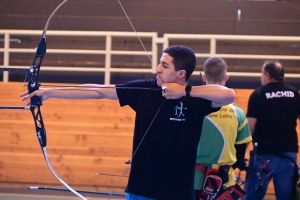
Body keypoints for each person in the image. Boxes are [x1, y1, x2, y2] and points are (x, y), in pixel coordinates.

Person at [20, 45, 236, 200]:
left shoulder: (197, 99)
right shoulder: (146, 90)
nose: (158, 69)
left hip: (177, 191)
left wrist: (185, 92)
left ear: (180, 73)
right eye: (160, 63)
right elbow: (98, 91)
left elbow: (229, 95)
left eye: (164, 65)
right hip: (140, 188)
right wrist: (50, 92)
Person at [194, 57, 252, 200]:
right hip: (225, 183)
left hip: (194, 181)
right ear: (226, 77)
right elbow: (240, 155)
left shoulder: (192, 110)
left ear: (203, 77)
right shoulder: (238, 114)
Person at [244, 60, 300, 200]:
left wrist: (239, 154)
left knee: (252, 198)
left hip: (263, 157)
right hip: (288, 156)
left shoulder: (258, 95)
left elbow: (250, 128)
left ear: (267, 75)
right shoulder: (294, 94)